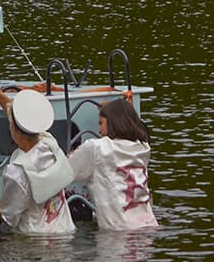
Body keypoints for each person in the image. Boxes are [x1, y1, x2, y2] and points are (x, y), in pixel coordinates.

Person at [0, 77, 75, 234]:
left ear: (13, 129)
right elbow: (19, 116)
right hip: (64, 232)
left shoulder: (17, 171)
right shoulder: (49, 143)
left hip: (35, 241)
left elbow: (9, 215)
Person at [68, 95, 158, 230]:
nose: (99, 130)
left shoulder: (97, 148)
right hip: (148, 225)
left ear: (112, 122)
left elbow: (65, 171)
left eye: (101, 123)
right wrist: (114, 109)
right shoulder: (143, 147)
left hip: (119, 231)